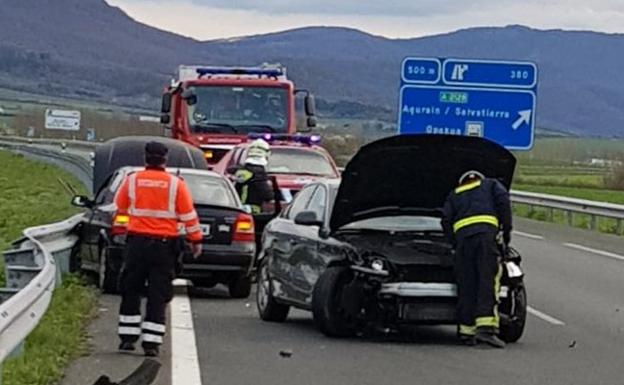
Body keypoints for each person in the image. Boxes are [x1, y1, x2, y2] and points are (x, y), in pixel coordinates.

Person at [114, 141, 202, 357]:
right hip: (164, 246)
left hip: (137, 243)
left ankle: (127, 339)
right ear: (165, 159)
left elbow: (120, 206)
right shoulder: (176, 184)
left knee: (131, 288)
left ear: (145, 158)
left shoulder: (132, 180)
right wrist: (195, 240)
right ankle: (151, 344)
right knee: (158, 293)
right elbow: (189, 215)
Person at [441, 170, 512, 348]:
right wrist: (506, 231)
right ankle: (486, 331)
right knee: (487, 281)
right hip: (485, 239)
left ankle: (467, 332)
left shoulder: (454, 194)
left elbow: (445, 220)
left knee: (467, 284)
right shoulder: (491, 184)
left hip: (464, 243)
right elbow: (504, 202)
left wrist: (454, 243)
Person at [234, 139, 274, 214]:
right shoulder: (258, 173)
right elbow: (266, 193)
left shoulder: (243, 170)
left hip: (239, 207)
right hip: (253, 209)